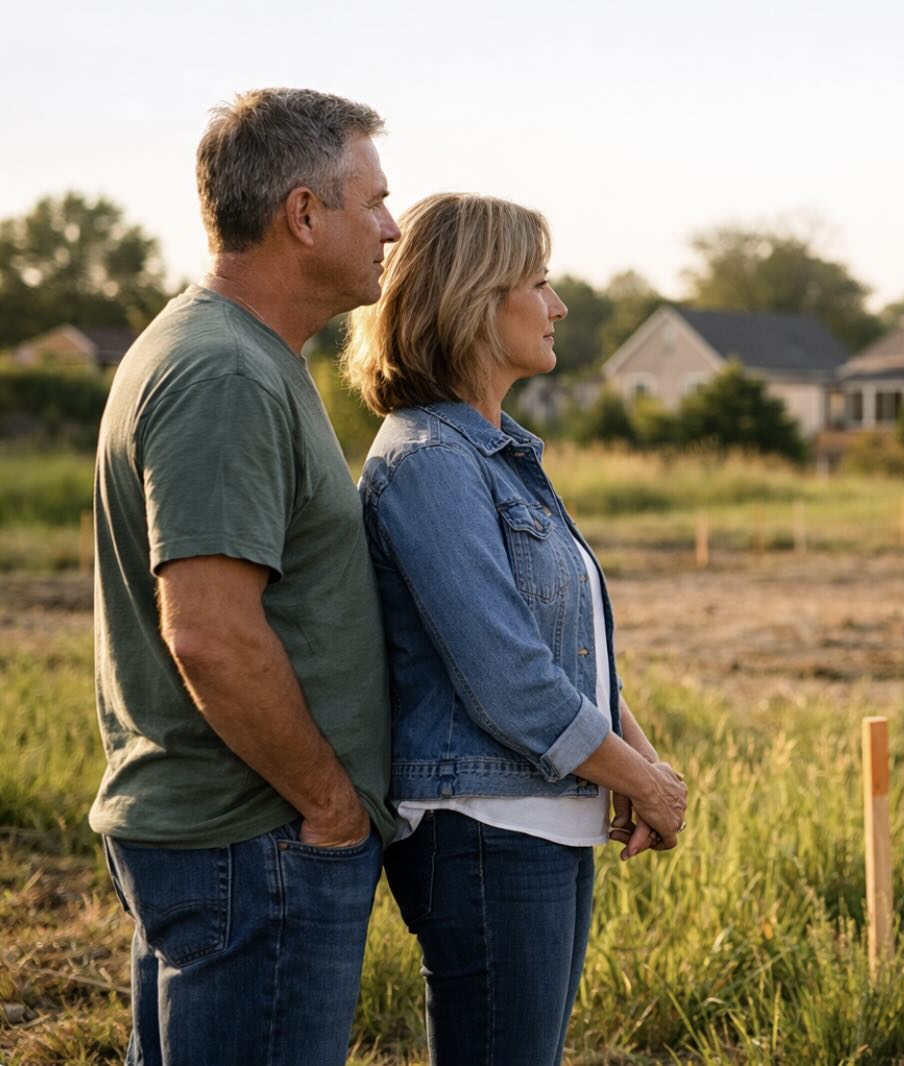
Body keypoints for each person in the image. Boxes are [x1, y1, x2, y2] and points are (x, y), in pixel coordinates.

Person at [341, 192, 688, 1066]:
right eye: (537, 282)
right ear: (472, 301)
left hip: (538, 817)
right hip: (483, 827)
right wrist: (640, 783)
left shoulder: (501, 455)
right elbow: (507, 677)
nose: (558, 305)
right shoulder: (427, 462)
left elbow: (569, 655)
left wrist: (638, 764)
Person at [91, 88, 401, 1064]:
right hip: (255, 840)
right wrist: (330, 805)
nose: (394, 226)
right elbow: (210, 634)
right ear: (303, 214)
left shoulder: (241, 354)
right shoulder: (223, 370)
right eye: (375, 200)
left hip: (241, 838)